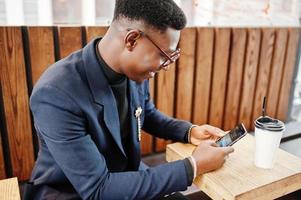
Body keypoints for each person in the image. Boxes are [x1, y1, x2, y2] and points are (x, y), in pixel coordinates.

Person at [23, 0, 234, 199]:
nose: (166, 65)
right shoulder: (55, 93)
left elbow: (146, 113)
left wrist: (190, 131)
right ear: (131, 39)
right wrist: (193, 166)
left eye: (172, 56)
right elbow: (98, 190)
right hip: (74, 193)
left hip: (124, 176)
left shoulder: (135, 71)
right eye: (164, 55)